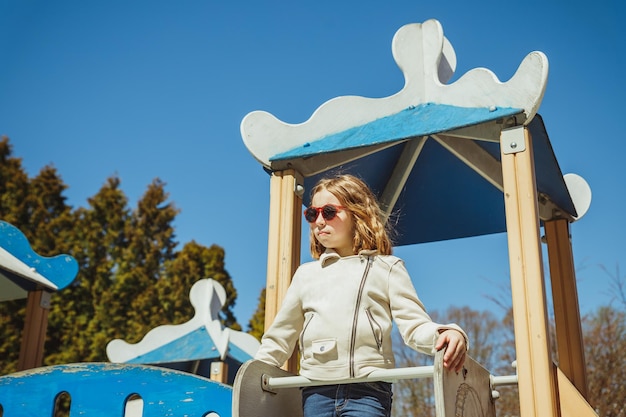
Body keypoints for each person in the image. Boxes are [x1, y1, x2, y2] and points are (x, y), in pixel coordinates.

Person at [255, 174, 468, 417]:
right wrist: (252, 380)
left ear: (358, 213)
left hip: (368, 389)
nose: (319, 221)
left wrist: (444, 333)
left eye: (328, 211)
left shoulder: (387, 268)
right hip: (316, 390)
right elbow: (279, 337)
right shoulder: (306, 275)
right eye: (312, 214)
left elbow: (414, 326)